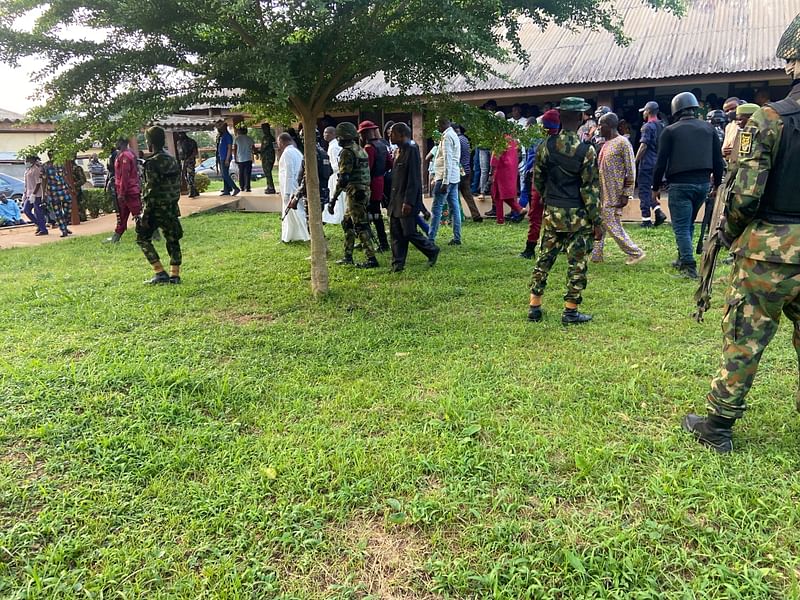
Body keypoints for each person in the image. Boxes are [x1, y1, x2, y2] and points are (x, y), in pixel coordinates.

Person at [682, 15, 800, 453]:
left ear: (792, 62)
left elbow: (746, 195)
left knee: (745, 337)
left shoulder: (769, 120)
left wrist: (728, 235)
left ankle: (718, 424)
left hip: (769, 251)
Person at [527, 97, 600, 325]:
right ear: (579, 118)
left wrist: (551, 200)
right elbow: (590, 189)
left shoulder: (545, 146)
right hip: (578, 217)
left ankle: (534, 307)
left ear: (560, 117)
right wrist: (597, 220)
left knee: (544, 260)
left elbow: (537, 181)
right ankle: (570, 312)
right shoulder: (587, 151)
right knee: (576, 264)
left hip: (552, 214)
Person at [653, 91, 725, 279]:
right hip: (702, 184)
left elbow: (660, 162)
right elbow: (718, 160)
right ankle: (681, 258)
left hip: (680, 185)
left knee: (681, 226)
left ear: (676, 110)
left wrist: (655, 187)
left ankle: (688, 266)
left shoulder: (670, 131)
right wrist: (717, 185)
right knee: (689, 223)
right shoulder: (708, 129)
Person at [591, 112, 646, 265]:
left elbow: (631, 169)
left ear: (609, 126)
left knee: (610, 223)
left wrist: (626, 193)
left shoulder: (623, 143)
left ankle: (636, 252)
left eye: (601, 125)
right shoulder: (605, 144)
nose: (598, 128)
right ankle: (596, 255)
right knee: (599, 222)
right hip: (602, 191)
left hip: (615, 192)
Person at [386, 123, 440, 272]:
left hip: (405, 200)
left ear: (402, 133)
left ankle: (431, 250)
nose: (389, 136)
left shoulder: (411, 148)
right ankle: (397, 264)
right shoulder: (399, 150)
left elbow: (414, 178)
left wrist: (408, 201)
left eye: (392, 133)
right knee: (396, 233)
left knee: (409, 232)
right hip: (395, 199)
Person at [136, 126, 183, 285]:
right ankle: (175, 275)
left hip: (156, 208)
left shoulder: (152, 163)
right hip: (171, 206)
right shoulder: (172, 159)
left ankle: (159, 272)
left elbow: (151, 190)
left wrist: (144, 214)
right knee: (172, 239)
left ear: (150, 143)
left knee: (142, 238)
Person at [328, 122, 378, 268]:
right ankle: (348, 255)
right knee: (347, 223)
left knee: (360, 226)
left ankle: (371, 259)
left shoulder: (347, 152)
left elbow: (344, 178)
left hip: (355, 193)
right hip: (362, 191)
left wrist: (333, 199)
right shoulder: (360, 149)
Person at [519, 110, 560, 259]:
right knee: (555, 217)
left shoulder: (538, 142)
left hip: (538, 183)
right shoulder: (562, 143)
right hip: (556, 186)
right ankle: (553, 248)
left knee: (535, 216)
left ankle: (530, 249)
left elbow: (532, 162)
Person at [428, 117, 463, 246]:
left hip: (445, 177)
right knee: (455, 208)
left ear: (443, 123)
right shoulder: (452, 134)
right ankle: (457, 237)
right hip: (453, 177)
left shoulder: (447, 136)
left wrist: (445, 181)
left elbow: (448, 159)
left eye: (438, 124)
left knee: (437, 208)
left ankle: (431, 238)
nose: (437, 127)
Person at [358, 120, 391, 252]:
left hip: (371, 184)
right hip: (380, 181)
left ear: (364, 134)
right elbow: (390, 164)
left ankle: (380, 242)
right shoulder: (382, 145)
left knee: (372, 214)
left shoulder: (368, 148)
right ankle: (381, 241)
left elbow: (367, 168)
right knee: (376, 213)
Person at [635, 101, 667, 228]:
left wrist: (635, 161)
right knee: (653, 190)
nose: (643, 113)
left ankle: (646, 220)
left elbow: (643, 145)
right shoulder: (663, 125)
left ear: (648, 112)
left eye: (644, 111)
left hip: (647, 164)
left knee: (643, 191)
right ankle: (658, 211)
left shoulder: (647, 127)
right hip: (658, 163)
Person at [104, 137, 141, 244]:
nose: (115, 143)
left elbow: (125, 176)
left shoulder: (125, 155)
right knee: (122, 215)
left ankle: (149, 234)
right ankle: (116, 237)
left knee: (138, 214)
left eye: (117, 141)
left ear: (121, 142)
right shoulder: (124, 154)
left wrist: (122, 192)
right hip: (125, 190)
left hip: (128, 191)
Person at [489, 111, 524, 224]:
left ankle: (518, 209)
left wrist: (492, 171)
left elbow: (496, 155)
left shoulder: (500, 137)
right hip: (511, 168)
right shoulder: (511, 137)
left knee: (499, 193)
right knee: (500, 194)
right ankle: (501, 218)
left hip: (501, 168)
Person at [277, 133, 310, 243]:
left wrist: (287, 192)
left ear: (281, 142)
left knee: (297, 211)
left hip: (291, 187)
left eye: (278, 143)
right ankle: (289, 235)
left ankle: (307, 235)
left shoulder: (287, 153)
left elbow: (289, 173)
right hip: (296, 186)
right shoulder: (296, 151)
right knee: (291, 213)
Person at [41, 151, 73, 237]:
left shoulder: (61, 164)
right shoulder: (45, 166)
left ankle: (64, 226)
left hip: (64, 190)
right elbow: (43, 181)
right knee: (58, 212)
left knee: (68, 209)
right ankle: (63, 230)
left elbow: (64, 176)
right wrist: (43, 194)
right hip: (53, 192)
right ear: (49, 156)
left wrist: (70, 186)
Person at [455, 124, 483, 223]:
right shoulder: (465, 139)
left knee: (454, 195)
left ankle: (457, 216)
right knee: (468, 195)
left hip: (459, 170)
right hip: (467, 169)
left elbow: (456, 156)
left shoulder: (457, 140)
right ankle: (476, 215)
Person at [322, 126, 345, 225]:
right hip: (333, 174)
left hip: (335, 174)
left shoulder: (334, 147)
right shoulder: (332, 145)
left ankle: (337, 216)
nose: (324, 135)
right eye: (324, 133)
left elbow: (337, 163)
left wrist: (328, 169)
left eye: (327, 133)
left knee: (336, 195)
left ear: (333, 134)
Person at [22, 155, 47, 235]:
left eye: (27, 160)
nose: (26, 162)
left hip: (36, 194)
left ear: (32, 160)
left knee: (38, 212)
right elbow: (27, 184)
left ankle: (43, 229)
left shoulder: (36, 169)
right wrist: (25, 194)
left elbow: (38, 183)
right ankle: (40, 225)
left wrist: (34, 194)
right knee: (26, 210)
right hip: (29, 194)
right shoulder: (28, 170)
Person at [216, 121, 239, 196]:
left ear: (224, 127)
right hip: (221, 157)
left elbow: (229, 148)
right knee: (224, 174)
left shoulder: (228, 136)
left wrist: (227, 159)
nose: (219, 129)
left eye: (221, 127)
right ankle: (226, 190)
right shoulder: (222, 136)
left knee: (225, 174)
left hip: (225, 158)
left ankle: (235, 188)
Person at [176, 132, 199, 197]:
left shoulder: (191, 142)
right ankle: (194, 191)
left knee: (190, 176)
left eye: (181, 134)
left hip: (190, 161)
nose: (180, 135)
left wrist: (189, 158)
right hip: (183, 161)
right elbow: (179, 153)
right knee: (186, 176)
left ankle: (192, 192)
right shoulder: (179, 142)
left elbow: (195, 152)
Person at [233, 126, 255, 192]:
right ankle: (247, 187)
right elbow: (253, 148)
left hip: (240, 159)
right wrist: (256, 153)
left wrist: (235, 158)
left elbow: (235, 150)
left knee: (241, 173)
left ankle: (242, 187)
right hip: (248, 158)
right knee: (248, 173)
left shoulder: (237, 139)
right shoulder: (249, 138)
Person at [259, 122, 277, 194]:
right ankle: (269, 186)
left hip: (267, 157)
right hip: (267, 157)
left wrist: (257, 151)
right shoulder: (269, 137)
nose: (263, 130)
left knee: (267, 172)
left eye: (264, 129)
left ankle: (271, 187)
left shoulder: (268, 137)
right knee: (267, 172)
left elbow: (264, 148)